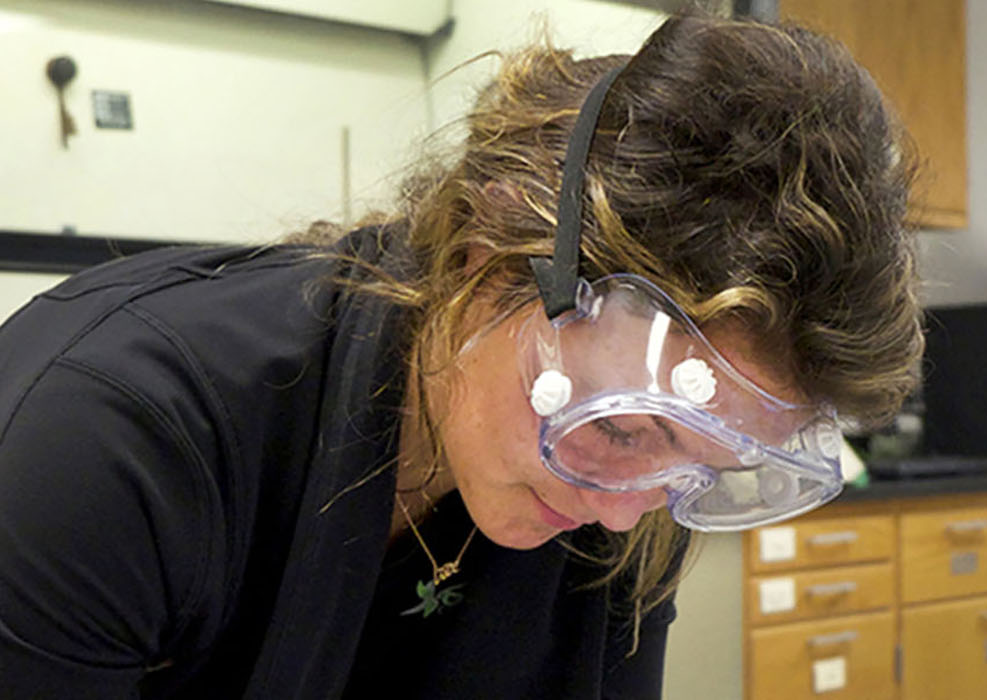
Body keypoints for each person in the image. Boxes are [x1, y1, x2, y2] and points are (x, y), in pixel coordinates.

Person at [0, 14, 922, 699]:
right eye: (626, 429)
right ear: (486, 257)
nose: (624, 511)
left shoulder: (635, 494)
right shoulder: (116, 438)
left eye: (700, 464)